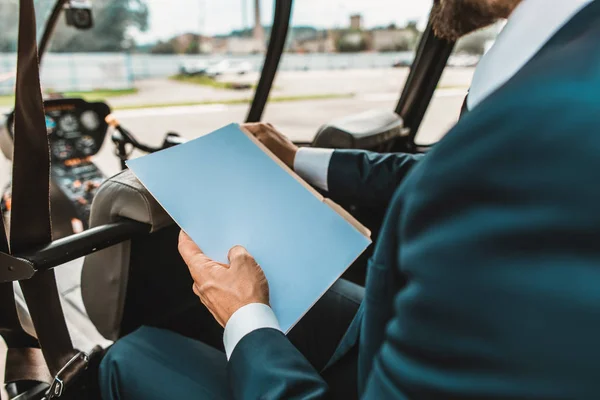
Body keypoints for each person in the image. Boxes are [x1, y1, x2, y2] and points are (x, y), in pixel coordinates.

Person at [100, 0, 600, 398]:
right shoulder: (554, 62)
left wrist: (246, 320)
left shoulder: (553, 129)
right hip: (402, 313)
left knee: (132, 355)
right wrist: (297, 158)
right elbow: (445, 176)